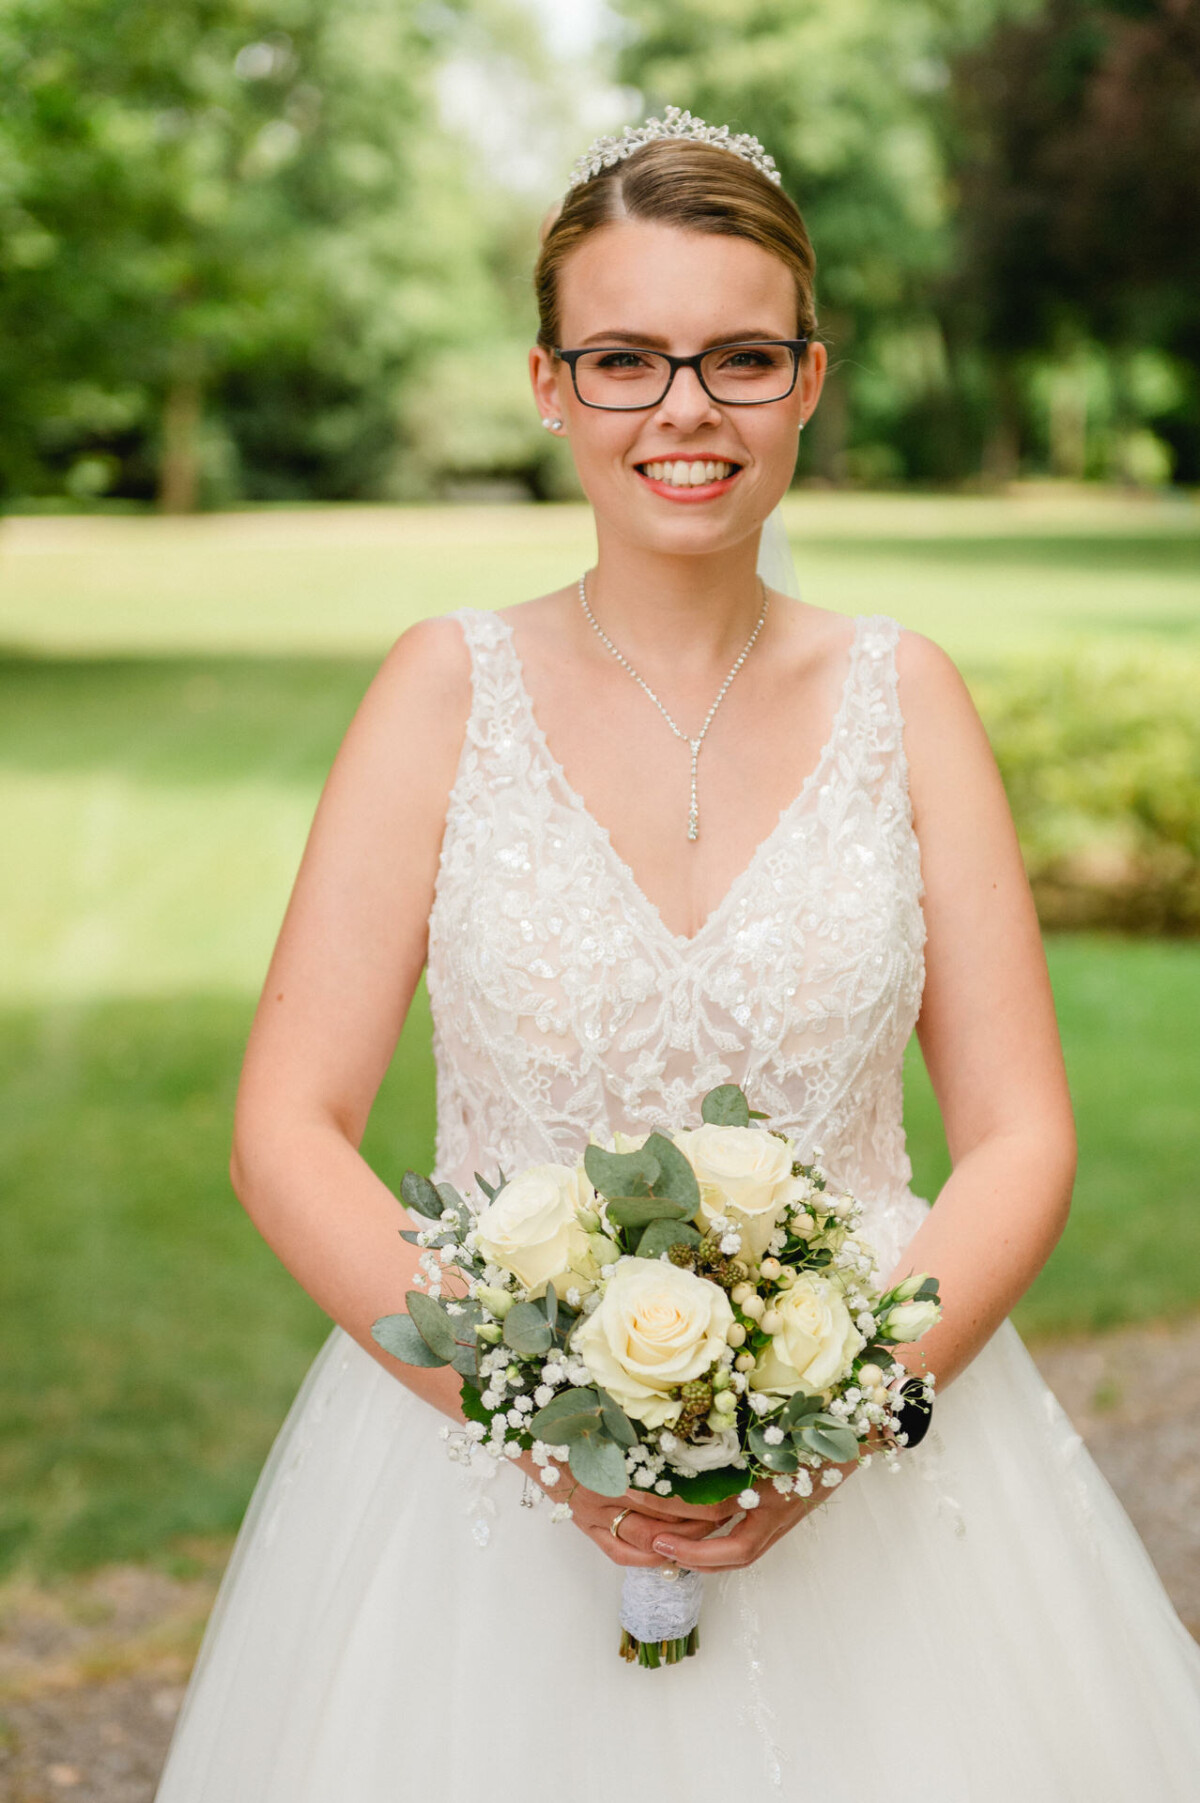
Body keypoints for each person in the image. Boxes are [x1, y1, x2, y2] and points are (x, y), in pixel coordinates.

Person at [153, 113, 1200, 1801]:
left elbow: (1022, 1135)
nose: (686, 410)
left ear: (808, 379)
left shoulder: (904, 696)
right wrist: (539, 1416)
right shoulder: (444, 692)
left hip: (880, 1458)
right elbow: (286, 1127)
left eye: (739, 358)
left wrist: (846, 1420)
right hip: (482, 1484)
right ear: (552, 383)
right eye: (627, 359)